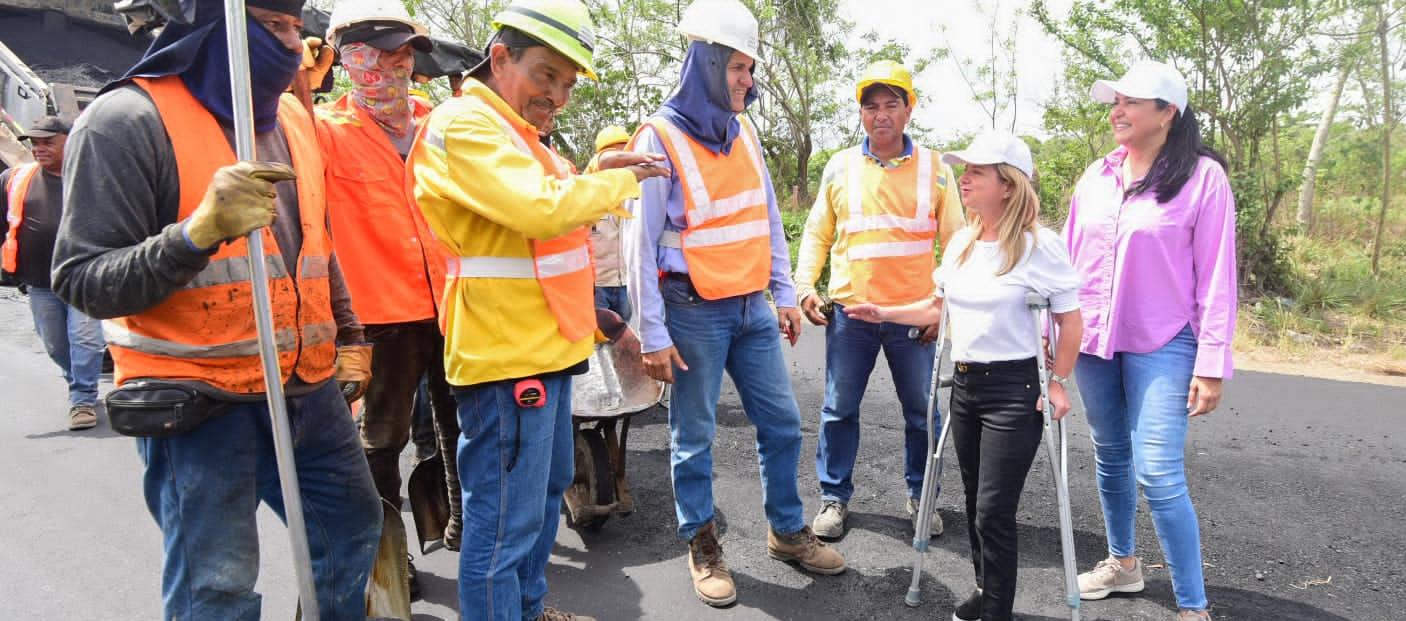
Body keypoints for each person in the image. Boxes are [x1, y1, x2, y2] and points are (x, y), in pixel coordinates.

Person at [51, 0, 382, 617]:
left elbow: (317, 237)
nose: (290, 45)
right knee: (218, 586)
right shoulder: (124, 121)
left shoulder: (290, 115)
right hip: (198, 401)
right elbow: (82, 279)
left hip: (305, 389)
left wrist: (350, 333)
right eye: (271, 26)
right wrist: (194, 236)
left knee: (351, 530)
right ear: (213, 24)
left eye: (295, 29)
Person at [407, 0, 668, 618]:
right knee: (503, 524)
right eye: (546, 76)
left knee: (542, 498)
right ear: (500, 58)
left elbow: (550, 208)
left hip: (548, 351)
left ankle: (527, 609)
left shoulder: (523, 139)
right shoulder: (464, 125)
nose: (558, 95)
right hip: (505, 357)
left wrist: (595, 169)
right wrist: (618, 181)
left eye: (568, 84)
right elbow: (540, 209)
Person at [626, 0, 846, 608]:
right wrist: (651, 335)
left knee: (780, 424)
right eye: (738, 68)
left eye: (751, 68)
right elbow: (640, 246)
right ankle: (702, 542)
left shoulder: (742, 131)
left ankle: (785, 531)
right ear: (706, 63)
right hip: (690, 310)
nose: (749, 81)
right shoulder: (658, 136)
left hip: (751, 309)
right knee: (692, 436)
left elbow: (767, 221)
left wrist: (782, 293)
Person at [848, 132, 1082, 621]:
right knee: (976, 500)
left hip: (1015, 390)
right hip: (967, 387)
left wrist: (1058, 381)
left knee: (994, 510)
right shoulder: (962, 243)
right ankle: (983, 587)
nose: (965, 179)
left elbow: (1069, 317)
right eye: (966, 170)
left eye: (977, 172)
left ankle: (997, 611)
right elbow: (937, 308)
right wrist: (883, 312)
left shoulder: (1041, 247)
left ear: (1009, 186)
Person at [1064, 60, 1236, 621]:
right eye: (1115, 101)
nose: (1118, 110)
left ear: (1168, 113)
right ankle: (1124, 564)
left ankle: (1192, 606)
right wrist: (1054, 338)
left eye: (1131, 101)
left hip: (1165, 341)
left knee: (1157, 468)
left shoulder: (1203, 178)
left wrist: (1211, 363)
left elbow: (1216, 277)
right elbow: (1070, 263)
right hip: (1093, 339)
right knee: (1110, 455)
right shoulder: (1096, 175)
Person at [317, 0, 464, 581]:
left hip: (453, 305)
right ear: (350, 58)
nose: (399, 64)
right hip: (379, 317)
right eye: (384, 51)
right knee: (382, 439)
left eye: (405, 52)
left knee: (463, 426)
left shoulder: (436, 123)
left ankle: (461, 520)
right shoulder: (324, 132)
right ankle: (386, 551)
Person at [792, 60, 965, 540]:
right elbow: (816, 234)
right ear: (861, 114)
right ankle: (833, 498)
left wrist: (944, 308)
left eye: (892, 104)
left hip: (915, 317)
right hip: (852, 314)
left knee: (921, 411)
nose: (881, 115)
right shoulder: (840, 166)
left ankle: (922, 496)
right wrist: (805, 285)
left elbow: (957, 243)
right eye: (872, 107)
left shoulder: (937, 170)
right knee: (838, 408)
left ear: (910, 109)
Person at [2, 116, 105, 430]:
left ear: (69, 141)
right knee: (55, 344)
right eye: (35, 142)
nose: (39, 148)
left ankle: (83, 399)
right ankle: (78, 380)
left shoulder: (94, 178)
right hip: (39, 281)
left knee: (84, 339)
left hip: (84, 277)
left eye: (48, 142)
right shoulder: (14, 178)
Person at [587, 124, 633, 322]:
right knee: (598, 343)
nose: (620, 161)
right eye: (614, 155)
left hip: (627, 285)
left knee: (625, 340)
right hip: (597, 286)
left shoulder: (635, 196)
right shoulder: (587, 193)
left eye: (625, 153)